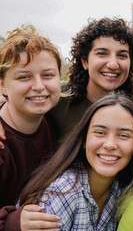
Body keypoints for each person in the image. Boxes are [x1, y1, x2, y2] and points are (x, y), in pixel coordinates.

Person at [15, 93, 133, 230]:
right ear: (84, 140)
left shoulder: (122, 190)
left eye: (123, 135)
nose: (110, 144)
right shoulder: (62, 193)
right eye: (100, 132)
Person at [0, 25, 61, 228]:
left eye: (48, 75)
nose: (38, 86)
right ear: (2, 86)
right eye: (24, 76)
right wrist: (11, 222)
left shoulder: (55, 119)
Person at [47, 17, 133, 141]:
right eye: (102, 53)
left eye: (122, 55)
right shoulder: (57, 97)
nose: (113, 65)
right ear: (85, 61)